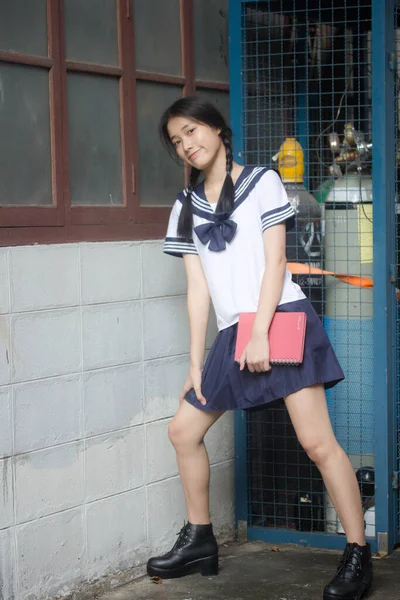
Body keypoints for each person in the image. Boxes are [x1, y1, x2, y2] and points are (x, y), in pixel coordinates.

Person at [146, 96, 373, 600]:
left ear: (217, 129)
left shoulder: (263, 181)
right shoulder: (185, 207)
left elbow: (276, 264)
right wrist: (195, 363)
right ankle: (201, 539)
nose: (188, 144)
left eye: (192, 131)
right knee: (183, 431)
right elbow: (198, 289)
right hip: (233, 334)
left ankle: (357, 552)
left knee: (318, 444)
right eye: (178, 141)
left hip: (280, 319)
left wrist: (259, 331)